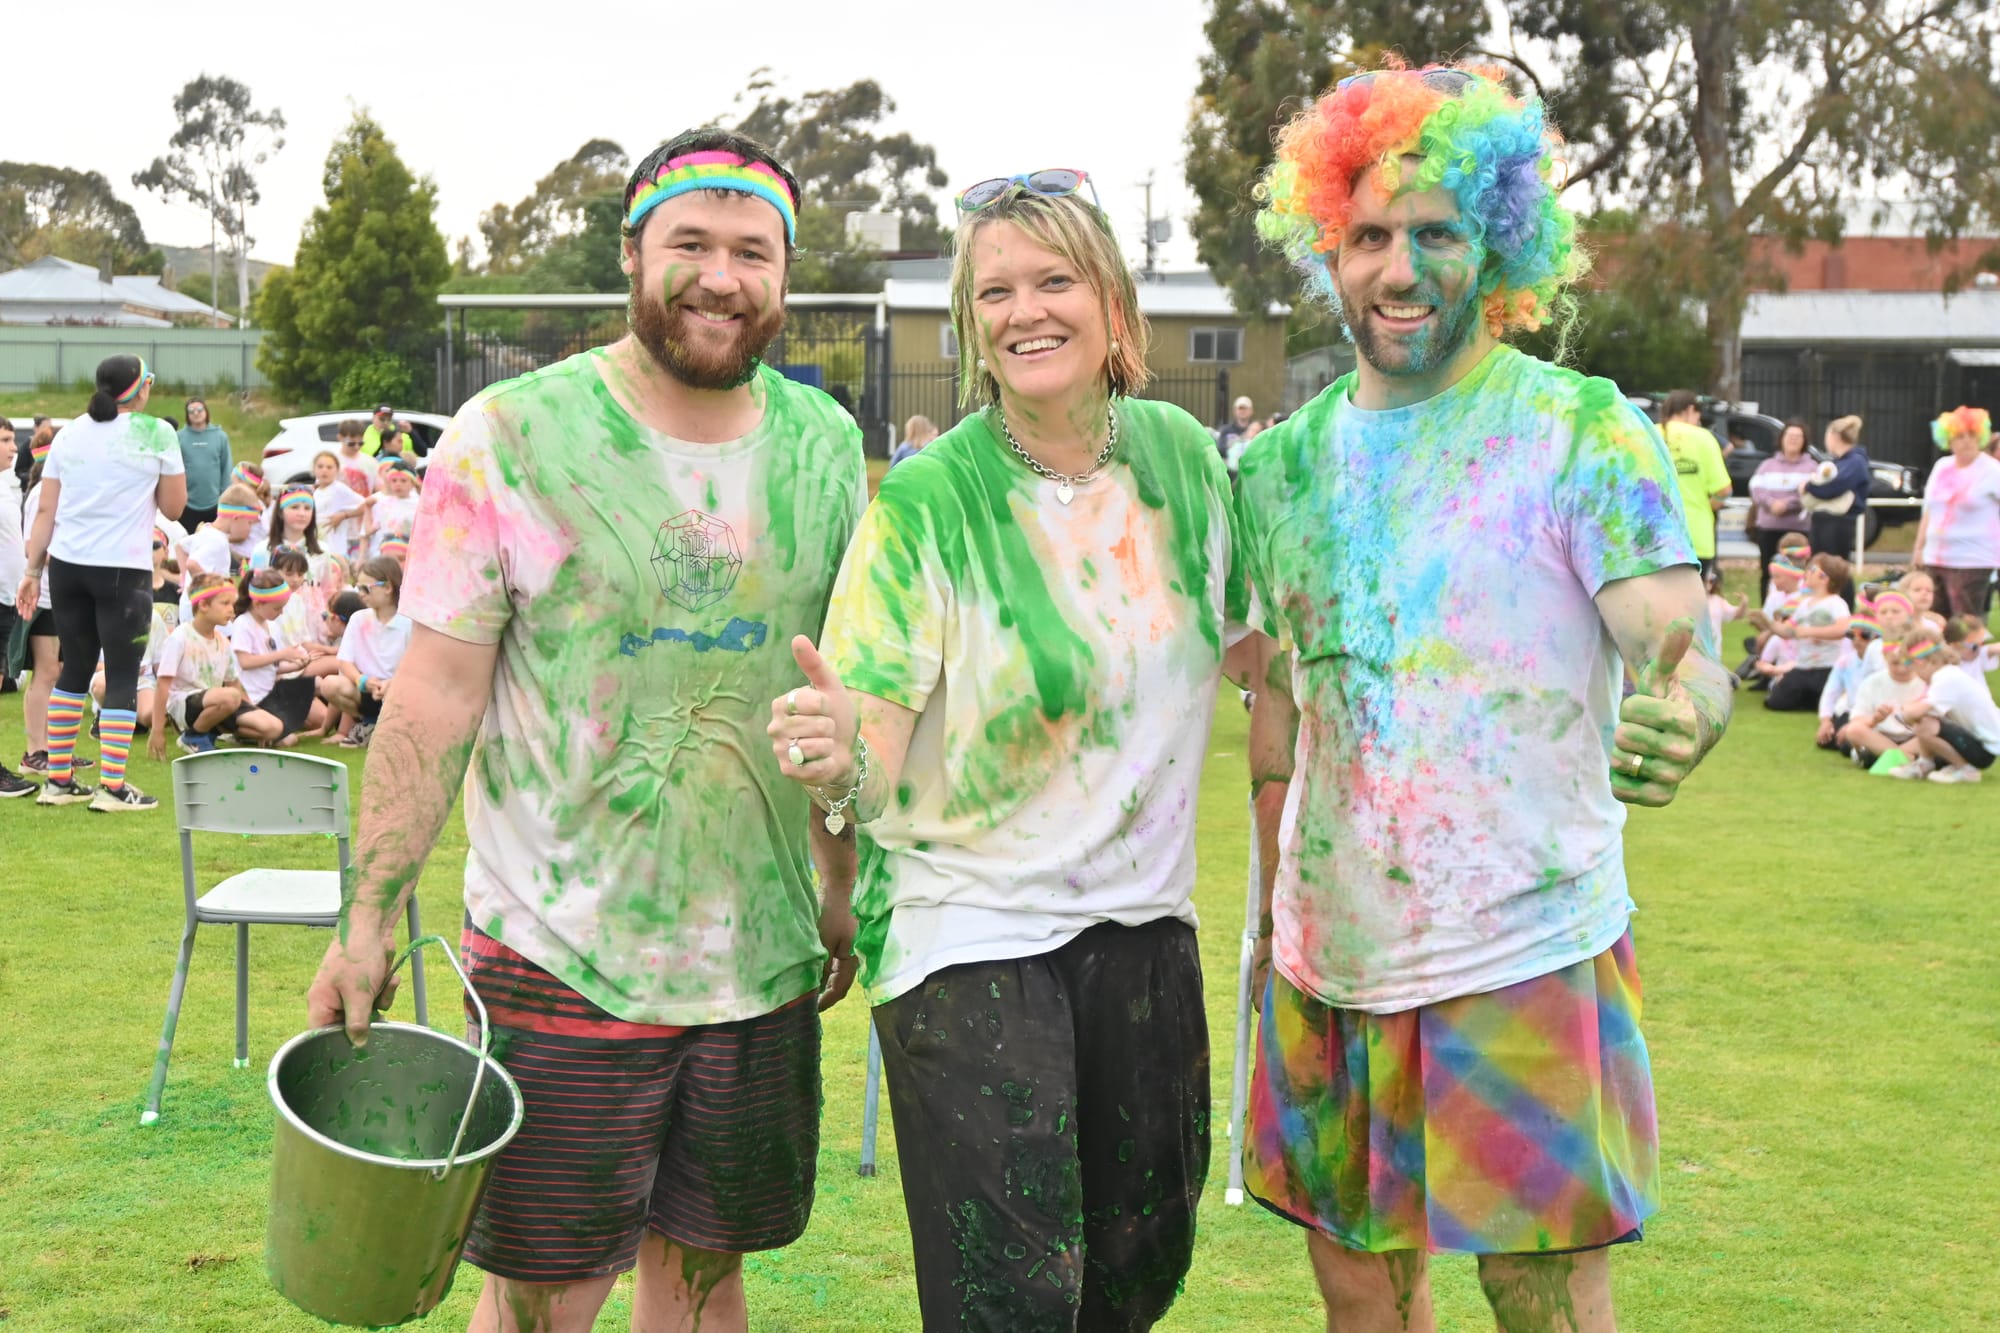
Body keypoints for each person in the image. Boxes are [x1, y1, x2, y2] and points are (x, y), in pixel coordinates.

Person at [304, 128, 866, 1333]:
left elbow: (827, 697)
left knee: (708, 1277)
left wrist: (836, 878)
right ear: (632, 253)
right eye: (692, 244)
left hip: (755, 955)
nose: (722, 276)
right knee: (545, 1293)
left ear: (783, 274)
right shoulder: (510, 434)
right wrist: (365, 919)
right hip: (560, 949)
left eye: (752, 252)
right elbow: (435, 699)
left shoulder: (823, 448)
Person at [1235, 64, 1734, 1333]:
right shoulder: (1279, 467)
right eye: (1368, 238)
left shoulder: (1576, 428)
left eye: (1436, 233)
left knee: (1538, 1288)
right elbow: (1277, 708)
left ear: (1498, 246)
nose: (1397, 271)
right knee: (1358, 1281)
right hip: (1329, 950)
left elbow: (1667, 629)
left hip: (1521, 938)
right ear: (1326, 249)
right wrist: (1264, 930)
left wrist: (1692, 700)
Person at [769, 168, 1244, 1332]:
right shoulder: (929, 500)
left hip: (1141, 923)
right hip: (965, 925)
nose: (1024, 310)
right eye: (995, 291)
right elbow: (871, 752)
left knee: (1136, 1273)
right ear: (971, 326)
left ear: (1112, 301)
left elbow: (1261, 655)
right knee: (1016, 1296)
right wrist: (839, 759)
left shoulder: (1182, 461)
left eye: (1052, 279)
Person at [16, 355, 186, 811]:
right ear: (141, 388)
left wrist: (31, 572)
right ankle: (112, 787)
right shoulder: (157, 432)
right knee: (123, 673)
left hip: (66, 567)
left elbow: (46, 509)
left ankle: (58, 780)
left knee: (73, 670)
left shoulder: (69, 432)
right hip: (122, 571)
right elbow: (174, 508)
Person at [149, 574, 281, 755]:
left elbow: (233, 682)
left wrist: (252, 712)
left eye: (232, 604)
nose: (231, 610)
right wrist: (157, 731)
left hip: (218, 702)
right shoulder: (180, 638)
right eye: (225, 603)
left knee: (274, 728)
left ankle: (210, 733)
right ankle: (193, 737)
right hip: (184, 704)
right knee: (230, 697)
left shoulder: (223, 642)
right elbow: (162, 685)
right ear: (203, 605)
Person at [1910, 406, 1999, 620]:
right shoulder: (1942, 466)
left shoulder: (1992, 470)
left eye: (1971, 435)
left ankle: (1969, 654)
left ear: (1981, 437)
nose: (1966, 441)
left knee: (1964, 623)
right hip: (1936, 557)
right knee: (1933, 619)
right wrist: (1919, 548)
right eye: (1959, 436)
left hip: (1973, 560)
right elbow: (1930, 509)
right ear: (1948, 440)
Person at [317, 556, 412, 747]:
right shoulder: (358, 619)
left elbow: (417, 667)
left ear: (387, 587)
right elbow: (345, 661)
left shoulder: (409, 622)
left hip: (400, 690)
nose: (360, 594)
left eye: (366, 588)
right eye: (358, 587)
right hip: (368, 689)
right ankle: (370, 724)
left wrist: (392, 684)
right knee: (330, 685)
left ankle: (391, 729)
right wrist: (361, 681)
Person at [1892, 627, 2000, 783]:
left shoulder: (1946, 678)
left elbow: (1915, 714)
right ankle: (1925, 763)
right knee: (1925, 720)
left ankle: (1965, 770)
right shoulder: (1947, 675)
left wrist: (1903, 711)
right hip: (1976, 741)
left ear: (1920, 662)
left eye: (1912, 667)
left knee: (1924, 724)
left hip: (1984, 750)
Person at [231, 569, 318, 743]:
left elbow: (274, 668)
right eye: (277, 608)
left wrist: (298, 664)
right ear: (257, 604)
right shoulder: (243, 623)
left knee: (314, 684)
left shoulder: (272, 626)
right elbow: (245, 662)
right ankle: (238, 731)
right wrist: (283, 654)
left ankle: (260, 731)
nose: (281, 613)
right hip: (253, 696)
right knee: (287, 740)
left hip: (270, 691)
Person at [1764, 553, 1853, 711]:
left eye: (1812, 569)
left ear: (1824, 577)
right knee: (1776, 702)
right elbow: (1789, 631)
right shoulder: (1804, 604)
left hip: (1827, 666)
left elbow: (1842, 629)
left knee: (1827, 700)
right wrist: (1768, 624)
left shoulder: (1836, 603)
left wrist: (1809, 632)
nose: (1807, 572)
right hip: (1803, 665)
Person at [1659, 390, 1731, 582]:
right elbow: (1723, 490)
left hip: (1655, 537)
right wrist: (1709, 505)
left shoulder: (1648, 433)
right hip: (1696, 535)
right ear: (1691, 409)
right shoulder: (1703, 437)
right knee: (1692, 608)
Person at [1748, 418, 1816, 601]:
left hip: (1798, 530)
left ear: (1804, 441)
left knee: (1799, 573)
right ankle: (1768, 612)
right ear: (1781, 438)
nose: (1793, 439)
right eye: (1789, 435)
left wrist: (1788, 504)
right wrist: (1771, 503)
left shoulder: (1811, 467)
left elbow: (1810, 493)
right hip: (1769, 529)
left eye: (1798, 436)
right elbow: (1756, 488)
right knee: (1768, 571)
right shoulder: (1767, 465)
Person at [1839, 633, 1926, 768]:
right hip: (1882, 739)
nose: (1902, 669)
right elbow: (1857, 721)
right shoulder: (1872, 682)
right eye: (1895, 663)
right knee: (1853, 730)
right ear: (1885, 658)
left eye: (1907, 662)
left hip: (1915, 738)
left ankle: (1898, 757)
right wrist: (1875, 719)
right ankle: (1906, 759)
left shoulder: (1925, 680)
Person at [1801, 414, 1869, 559]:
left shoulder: (1855, 462)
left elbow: (1833, 488)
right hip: (1825, 521)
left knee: (1833, 568)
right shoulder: (1840, 462)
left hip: (1838, 523)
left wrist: (1808, 487)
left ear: (1834, 436)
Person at [176, 398, 233, 529]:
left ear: (206, 412)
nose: (196, 413)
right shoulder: (179, 437)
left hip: (215, 503)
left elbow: (226, 467)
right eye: (191, 411)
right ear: (187, 415)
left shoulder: (220, 436)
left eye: (199, 410)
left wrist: (224, 497)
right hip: (187, 503)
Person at [309, 451, 367, 563]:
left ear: (337, 470)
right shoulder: (316, 492)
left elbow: (365, 505)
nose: (324, 470)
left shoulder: (339, 489)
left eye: (329, 467)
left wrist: (344, 515)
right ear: (314, 469)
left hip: (335, 546)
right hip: (319, 542)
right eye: (320, 466)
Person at [364, 458, 420, 559]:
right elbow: (369, 531)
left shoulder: (418, 505)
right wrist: (367, 509)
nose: (398, 484)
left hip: (408, 554)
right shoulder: (382, 503)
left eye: (403, 481)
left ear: (412, 483)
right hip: (384, 553)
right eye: (394, 480)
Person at [335, 419, 376, 498]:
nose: (356, 447)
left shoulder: (371, 461)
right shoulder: (332, 461)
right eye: (351, 443)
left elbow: (380, 488)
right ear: (340, 438)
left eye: (361, 443)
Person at [1217, 393, 1257, 459]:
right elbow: (1221, 449)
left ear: (1251, 411)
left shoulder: (1257, 429)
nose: (1242, 411)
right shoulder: (1226, 430)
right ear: (1235, 411)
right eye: (1240, 408)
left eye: (1245, 408)